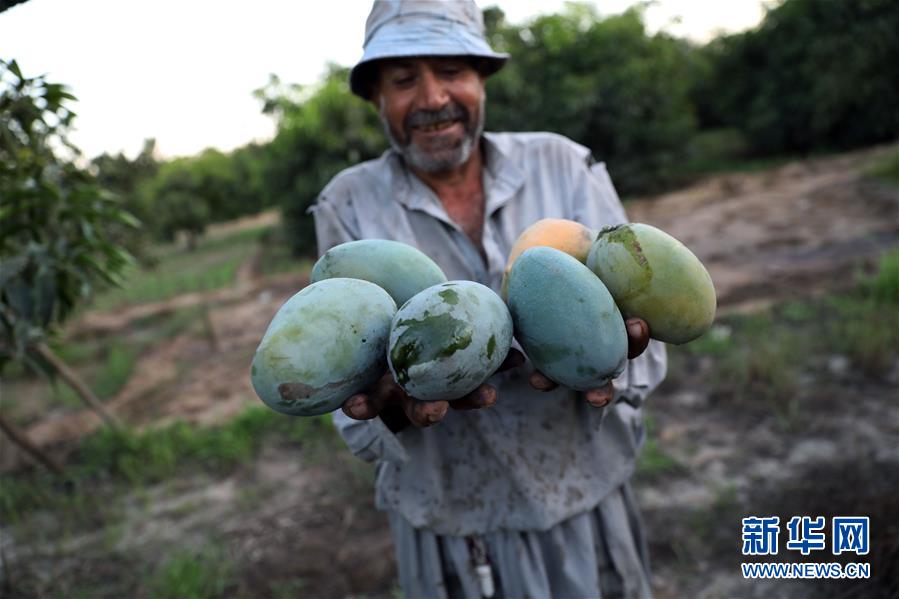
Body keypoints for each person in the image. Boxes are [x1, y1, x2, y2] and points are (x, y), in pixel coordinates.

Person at [311, 1, 667, 596]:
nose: (432, 98)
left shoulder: (563, 164)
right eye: (403, 80)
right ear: (376, 97)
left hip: (582, 498)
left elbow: (645, 332)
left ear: (482, 80)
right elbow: (342, 385)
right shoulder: (346, 206)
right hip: (452, 521)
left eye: (452, 71)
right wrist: (396, 400)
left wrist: (605, 355)